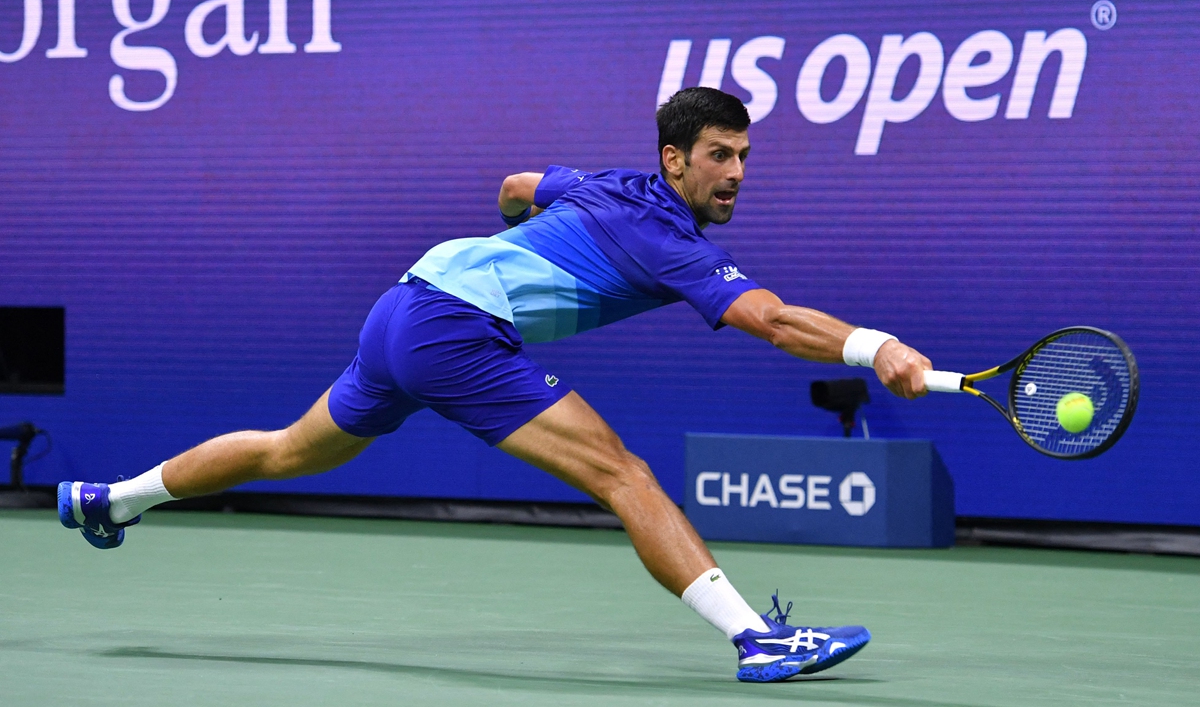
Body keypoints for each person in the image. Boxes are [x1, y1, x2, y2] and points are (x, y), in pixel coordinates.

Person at [57, 87, 933, 682]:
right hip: (453, 328)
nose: (736, 173)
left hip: (404, 305)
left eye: (744, 155)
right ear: (674, 161)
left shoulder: (597, 185)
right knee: (622, 473)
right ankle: (758, 640)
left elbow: (517, 185)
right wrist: (875, 345)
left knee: (290, 450)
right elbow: (772, 321)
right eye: (718, 156)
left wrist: (511, 241)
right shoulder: (669, 240)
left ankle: (112, 500)